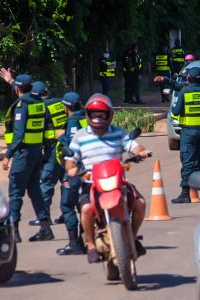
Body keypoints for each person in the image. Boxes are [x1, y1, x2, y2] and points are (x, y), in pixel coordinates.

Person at [64, 94, 152, 264]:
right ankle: (90, 245)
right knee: (86, 209)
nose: (98, 118)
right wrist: (72, 169)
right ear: (88, 115)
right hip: (91, 184)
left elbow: (133, 146)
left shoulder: (118, 133)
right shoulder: (80, 136)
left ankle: (132, 237)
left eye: (101, 114)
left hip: (117, 183)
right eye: (95, 114)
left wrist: (141, 151)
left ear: (109, 115)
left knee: (140, 203)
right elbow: (70, 161)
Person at [2, 74, 53, 243]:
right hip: (36, 153)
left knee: (15, 191)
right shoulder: (40, 104)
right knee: (34, 190)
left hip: (23, 154)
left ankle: (14, 231)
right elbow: (47, 130)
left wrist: (8, 155)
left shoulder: (21, 105)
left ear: (17, 89)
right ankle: (45, 228)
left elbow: (18, 134)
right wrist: (46, 151)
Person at [171, 66, 200, 204]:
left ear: (189, 78)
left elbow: (176, 111)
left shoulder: (184, 92)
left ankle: (185, 194)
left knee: (188, 162)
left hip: (189, 133)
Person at [32, 81, 68, 240]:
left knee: (46, 182)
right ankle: (67, 214)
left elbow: (40, 131)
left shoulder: (42, 108)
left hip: (53, 149)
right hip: (67, 147)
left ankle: (44, 217)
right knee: (66, 181)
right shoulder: (60, 103)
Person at [55, 92, 89, 256]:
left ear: (65, 107)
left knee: (68, 205)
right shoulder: (86, 117)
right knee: (83, 204)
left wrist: (61, 138)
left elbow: (73, 144)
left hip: (77, 168)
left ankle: (75, 244)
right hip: (90, 166)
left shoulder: (73, 121)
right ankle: (87, 241)